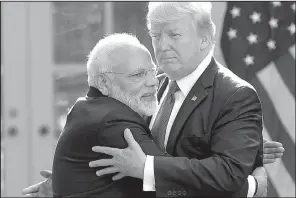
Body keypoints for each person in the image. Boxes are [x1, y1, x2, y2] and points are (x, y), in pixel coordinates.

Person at [22, 2, 285, 198]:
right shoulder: (152, 85)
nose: (162, 45)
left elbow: (225, 174)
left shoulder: (237, 96)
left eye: (174, 34)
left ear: (205, 39)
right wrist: (252, 187)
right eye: (156, 35)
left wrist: (147, 168)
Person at [50, 33, 168, 197]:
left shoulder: (86, 108)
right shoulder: (113, 122)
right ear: (103, 83)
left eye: (152, 72)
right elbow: (172, 181)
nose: (154, 82)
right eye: (138, 74)